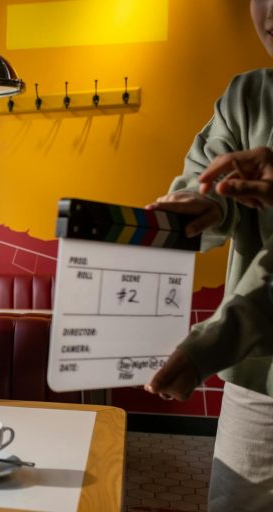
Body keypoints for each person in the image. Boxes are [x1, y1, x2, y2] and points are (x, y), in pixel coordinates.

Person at [144, 2, 273, 509]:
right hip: (257, 376)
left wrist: (212, 342)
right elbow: (210, 184)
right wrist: (198, 208)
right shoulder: (248, 95)